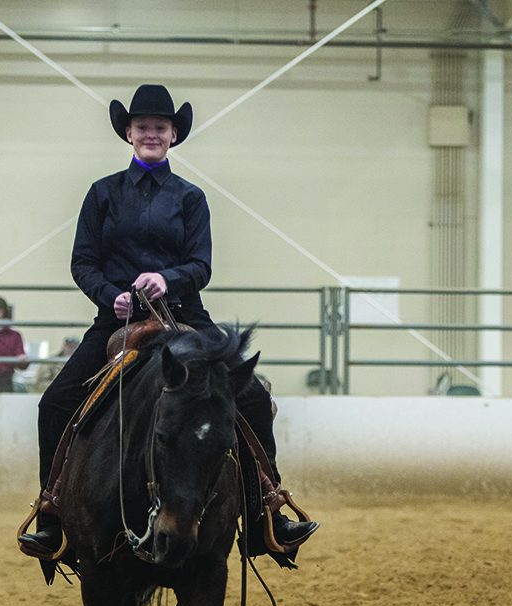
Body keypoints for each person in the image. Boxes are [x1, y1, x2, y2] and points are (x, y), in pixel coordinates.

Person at [20, 83, 317, 558]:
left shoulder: (191, 198)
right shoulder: (101, 194)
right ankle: (53, 512)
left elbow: (202, 266)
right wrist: (110, 296)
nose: (151, 133)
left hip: (185, 315)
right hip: (116, 319)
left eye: (161, 126)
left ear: (174, 134)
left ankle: (268, 508)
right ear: (129, 133)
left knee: (254, 398)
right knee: (54, 404)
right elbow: (83, 263)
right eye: (143, 127)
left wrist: (168, 278)